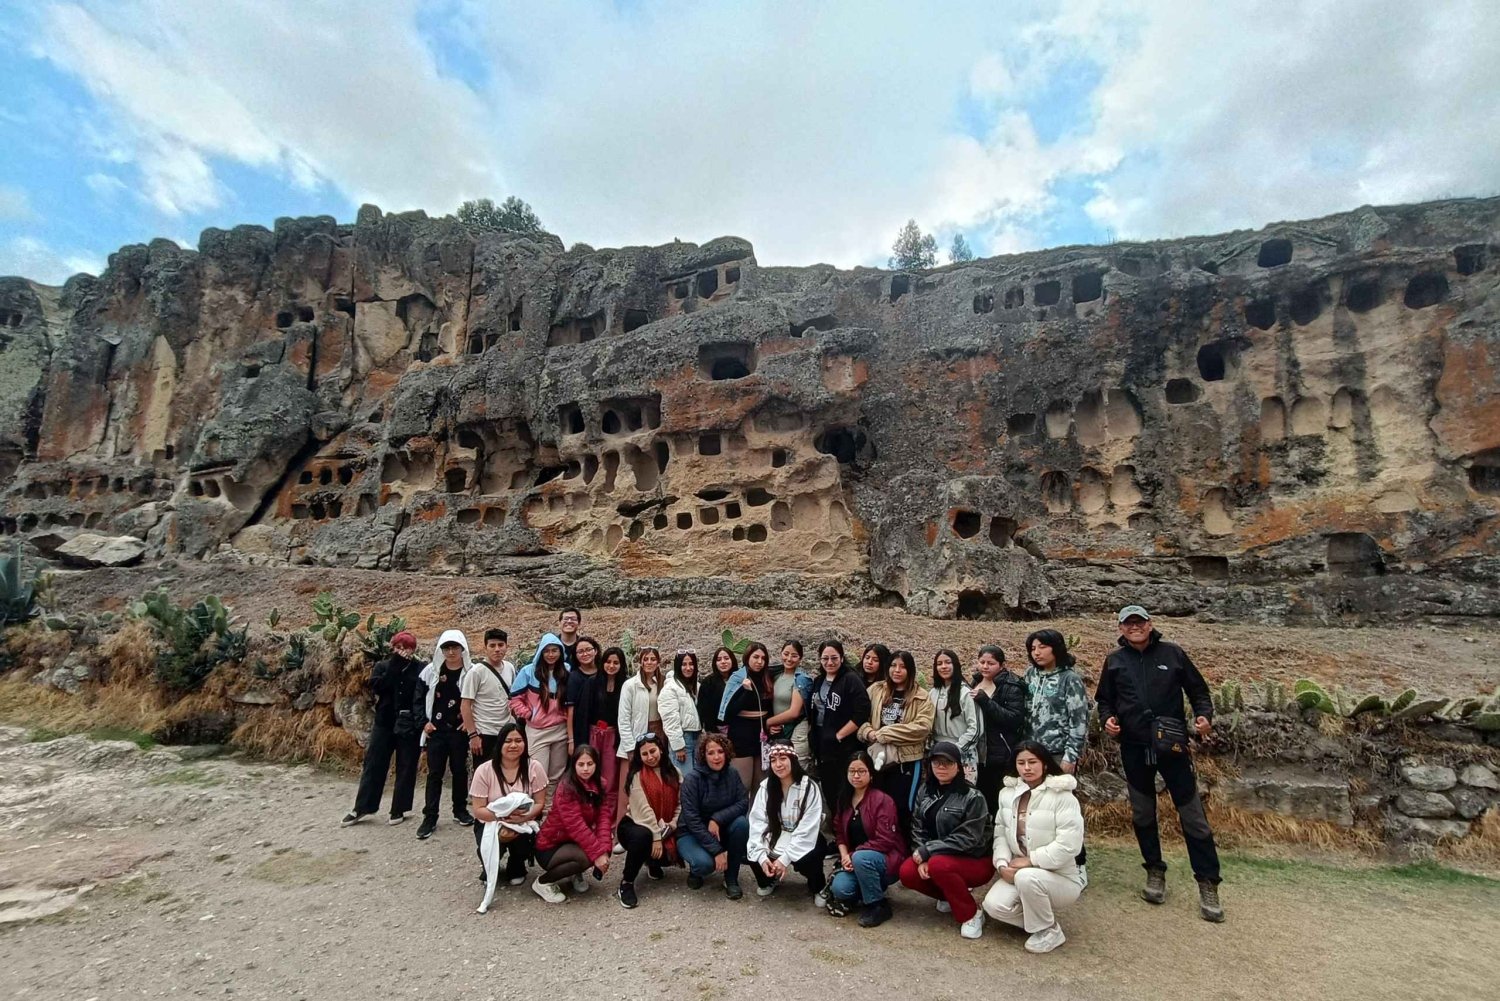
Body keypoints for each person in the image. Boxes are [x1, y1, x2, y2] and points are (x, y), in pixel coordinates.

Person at [1096, 605, 1223, 922]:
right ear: (1121, 628)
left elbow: (1198, 691)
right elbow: (1104, 700)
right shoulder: (1115, 660)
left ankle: (1208, 883)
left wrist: (1204, 716)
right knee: (1142, 813)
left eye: (1139, 622)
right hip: (1134, 747)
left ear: (1150, 624)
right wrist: (1107, 719)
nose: (1135, 627)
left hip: (1173, 746)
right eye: (1128, 623)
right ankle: (1154, 871)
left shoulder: (1173, 653)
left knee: (1192, 815)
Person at [982, 742, 1086, 953]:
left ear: (1045, 764)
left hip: (1061, 877)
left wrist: (1031, 860)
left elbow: (1070, 845)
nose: (1027, 768)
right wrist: (1001, 864)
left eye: (1032, 762)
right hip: (1019, 871)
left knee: (1026, 877)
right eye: (1021, 763)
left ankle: (1048, 931)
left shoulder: (1063, 796)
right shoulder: (1007, 794)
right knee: (994, 906)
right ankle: (1041, 921)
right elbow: (1000, 833)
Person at [899, 741, 994, 940]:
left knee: (938, 865)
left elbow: (969, 837)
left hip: (974, 858)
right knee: (907, 872)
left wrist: (929, 851)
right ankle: (950, 895)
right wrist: (921, 855)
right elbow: (917, 825)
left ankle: (971, 914)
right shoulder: (925, 790)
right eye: (936, 762)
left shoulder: (973, 797)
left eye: (948, 763)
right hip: (936, 856)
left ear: (958, 766)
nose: (941, 767)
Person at [1023, 629, 1092, 880]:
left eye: (1042, 647)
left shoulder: (1069, 678)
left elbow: (1079, 720)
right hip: (1032, 753)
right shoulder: (1030, 675)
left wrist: (1070, 756)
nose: (1037, 652)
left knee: (1064, 811)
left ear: (1056, 648)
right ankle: (1040, 859)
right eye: (1033, 648)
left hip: (1057, 754)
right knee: (1036, 811)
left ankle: (1077, 863)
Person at [343, 630, 425, 827]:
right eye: (398, 647)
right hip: (384, 722)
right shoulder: (382, 666)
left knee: (406, 765)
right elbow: (378, 687)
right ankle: (362, 807)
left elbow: (423, 693)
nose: (401, 651)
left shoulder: (420, 668)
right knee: (374, 763)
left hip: (409, 723)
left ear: (413, 649)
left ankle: (399, 808)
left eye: (406, 648)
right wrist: (395, 666)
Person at [828, 750, 907, 927]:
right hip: (855, 859)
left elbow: (885, 840)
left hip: (884, 858)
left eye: (861, 771)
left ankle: (877, 905)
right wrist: (844, 856)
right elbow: (839, 832)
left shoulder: (882, 800)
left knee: (861, 858)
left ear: (871, 774)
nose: (856, 776)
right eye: (852, 771)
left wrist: (853, 855)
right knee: (840, 889)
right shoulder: (844, 799)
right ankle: (869, 887)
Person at [860, 649, 934, 836]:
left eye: (902, 667)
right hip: (876, 758)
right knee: (875, 805)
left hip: (906, 760)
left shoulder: (921, 696)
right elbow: (860, 716)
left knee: (902, 808)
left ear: (910, 670)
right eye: (893, 665)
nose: (897, 670)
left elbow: (922, 728)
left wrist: (885, 733)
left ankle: (903, 847)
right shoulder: (876, 690)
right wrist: (869, 733)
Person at [413, 630, 477, 840]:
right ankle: (430, 816)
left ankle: (460, 810)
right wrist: (424, 723)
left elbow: (479, 698)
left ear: (462, 649)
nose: (451, 652)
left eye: (455, 647)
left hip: (459, 732)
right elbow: (418, 699)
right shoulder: (430, 672)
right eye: (447, 648)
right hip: (436, 732)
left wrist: (470, 722)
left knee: (459, 771)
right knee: (434, 774)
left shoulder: (472, 672)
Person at [746, 740, 827, 903]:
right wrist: (762, 857)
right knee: (753, 851)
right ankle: (769, 879)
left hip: (801, 836)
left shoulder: (809, 787)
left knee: (812, 853)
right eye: (773, 760)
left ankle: (818, 887)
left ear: (793, 759)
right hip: (775, 835)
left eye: (783, 758)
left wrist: (785, 858)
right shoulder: (766, 786)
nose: (778, 764)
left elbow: (808, 827)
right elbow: (757, 822)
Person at [468, 722, 548, 886]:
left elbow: (540, 803)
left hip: (523, 819)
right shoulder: (484, 770)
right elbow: (478, 810)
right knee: (490, 843)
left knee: (523, 843)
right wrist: (503, 820)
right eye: (508, 741)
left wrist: (521, 819)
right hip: (491, 821)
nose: (513, 745)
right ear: (500, 744)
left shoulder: (534, 767)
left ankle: (517, 866)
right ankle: (490, 865)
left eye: (518, 741)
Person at [532, 744, 614, 903]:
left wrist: (604, 851)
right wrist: (597, 854)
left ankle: (574, 873)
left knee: (597, 850)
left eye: (590, 764)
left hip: (572, 842)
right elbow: (576, 826)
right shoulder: (566, 788)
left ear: (596, 764)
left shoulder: (600, 784)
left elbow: (604, 818)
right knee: (587, 857)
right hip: (551, 845)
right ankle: (543, 882)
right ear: (574, 765)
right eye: (581, 764)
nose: (585, 769)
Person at [677, 732, 750, 899]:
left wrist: (717, 819)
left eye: (720, 751)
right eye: (710, 753)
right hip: (692, 833)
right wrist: (717, 851)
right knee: (705, 864)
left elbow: (743, 802)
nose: (716, 757)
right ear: (703, 755)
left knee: (741, 824)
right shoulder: (692, 780)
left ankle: (731, 878)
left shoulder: (732, 773)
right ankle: (696, 871)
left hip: (720, 829)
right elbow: (692, 820)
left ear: (726, 753)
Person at [615, 732, 682, 908]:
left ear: (661, 749)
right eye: (644, 754)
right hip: (635, 824)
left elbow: (681, 804)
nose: (650, 757)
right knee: (643, 837)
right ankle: (627, 883)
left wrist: (673, 824)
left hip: (666, 825)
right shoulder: (636, 776)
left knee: (685, 835)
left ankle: (652, 862)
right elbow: (644, 810)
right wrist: (657, 837)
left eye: (653, 751)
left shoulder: (675, 773)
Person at [808, 639, 871, 810]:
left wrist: (840, 735)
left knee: (844, 789)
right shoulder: (819, 680)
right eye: (825, 658)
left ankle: (847, 824)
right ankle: (835, 825)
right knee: (829, 788)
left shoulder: (850, 679)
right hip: (822, 744)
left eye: (834, 658)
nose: (829, 662)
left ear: (842, 658)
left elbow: (862, 710)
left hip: (844, 745)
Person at [968, 644, 1027, 815]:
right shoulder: (975, 681)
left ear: (1001, 665)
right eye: (982, 662)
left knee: (999, 800)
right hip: (978, 750)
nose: (985, 667)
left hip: (1001, 751)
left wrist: (986, 701)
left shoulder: (1011, 685)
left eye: (991, 663)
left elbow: (1014, 719)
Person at [508, 633, 571, 788]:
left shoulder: (567, 670)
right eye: (546, 651)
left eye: (554, 650)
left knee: (557, 774)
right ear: (541, 652)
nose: (551, 654)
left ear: (560, 651)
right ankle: (536, 802)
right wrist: (528, 714)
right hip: (537, 731)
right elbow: (514, 698)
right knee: (537, 773)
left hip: (560, 729)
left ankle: (550, 803)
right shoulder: (528, 672)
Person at [617, 645, 666, 817]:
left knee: (655, 783)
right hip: (636, 734)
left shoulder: (663, 683)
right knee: (629, 784)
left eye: (653, 659)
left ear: (658, 662)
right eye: (646, 659)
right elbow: (623, 718)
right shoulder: (630, 685)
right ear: (641, 662)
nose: (649, 662)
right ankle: (622, 826)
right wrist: (630, 746)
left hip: (658, 734)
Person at [719, 642, 774, 792]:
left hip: (761, 736)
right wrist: (746, 691)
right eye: (755, 657)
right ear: (747, 657)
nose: (759, 661)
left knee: (761, 785)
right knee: (743, 785)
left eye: (763, 658)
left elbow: (770, 706)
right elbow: (728, 714)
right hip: (741, 735)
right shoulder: (737, 678)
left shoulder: (767, 677)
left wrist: (773, 724)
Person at [462, 627, 516, 768]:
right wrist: (473, 735)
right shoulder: (476, 672)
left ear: (507, 646)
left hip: (506, 731)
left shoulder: (510, 668)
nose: (497, 649)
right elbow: (465, 704)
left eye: (500, 645)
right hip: (484, 732)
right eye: (492, 645)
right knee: (484, 774)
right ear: (485, 647)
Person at [929, 648, 982, 783]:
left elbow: (975, 729)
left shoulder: (966, 693)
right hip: (938, 752)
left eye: (948, 662)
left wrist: (955, 750)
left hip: (962, 752)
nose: (944, 666)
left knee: (963, 792)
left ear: (956, 665)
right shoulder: (933, 693)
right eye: (939, 664)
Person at [765, 640, 814, 768]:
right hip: (779, 731)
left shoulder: (801, 679)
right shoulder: (776, 676)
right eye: (786, 654)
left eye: (794, 655)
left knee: (797, 767)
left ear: (800, 658)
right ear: (780, 654)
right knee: (780, 767)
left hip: (797, 730)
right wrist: (772, 725)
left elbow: (794, 712)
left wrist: (768, 722)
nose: (789, 659)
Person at [660, 650, 703, 777]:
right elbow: (670, 718)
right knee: (684, 779)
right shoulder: (671, 688)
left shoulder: (696, 686)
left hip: (697, 737)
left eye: (691, 664)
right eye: (684, 664)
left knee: (697, 779)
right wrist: (678, 746)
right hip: (683, 739)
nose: (688, 668)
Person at [564, 636, 603, 756]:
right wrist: (571, 740)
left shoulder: (604, 673)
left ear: (595, 651)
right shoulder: (574, 677)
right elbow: (570, 711)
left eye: (588, 650)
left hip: (603, 730)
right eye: (580, 651)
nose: (585, 654)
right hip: (582, 729)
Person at [698, 646, 737, 734]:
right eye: (719, 659)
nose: (723, 662)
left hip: (739, 728)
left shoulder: (740, 679)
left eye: (726, 658)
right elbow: (704, 710)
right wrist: (713, 731)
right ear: (715, 663)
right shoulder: (708, 683)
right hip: (716, 730)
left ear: (732, 660)